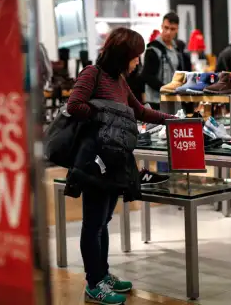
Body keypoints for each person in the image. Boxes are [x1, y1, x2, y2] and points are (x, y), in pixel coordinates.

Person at [66, 27, 174, 305]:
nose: (138, 61)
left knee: (104, 221)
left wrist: (171, 119)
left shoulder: (119, 80)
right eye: (135, 56)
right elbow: (74, 105)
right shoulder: (93, 74)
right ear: (123, 54)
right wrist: (105, 116)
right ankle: (94, 282)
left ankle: (103, 274)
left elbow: (139, 111)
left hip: (115, 160)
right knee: (93, 223)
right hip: (95, 161)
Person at [141, 12, 189, 110]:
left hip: (174, 99)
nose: (168, 32)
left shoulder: (177, 49)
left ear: (177, 30)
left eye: (172, 29)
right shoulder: (153, 49)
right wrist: (165, 88)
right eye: (166, 28)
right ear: (162, 26)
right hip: (156, 101)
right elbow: (147, 76)